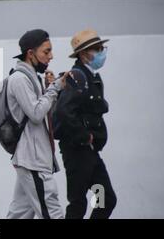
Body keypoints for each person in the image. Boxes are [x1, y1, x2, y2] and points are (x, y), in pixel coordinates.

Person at [53, 29, 117, 219]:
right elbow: (63, 111)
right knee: (78, 203)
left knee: (105, 199)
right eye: (97, 49)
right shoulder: (77, 77)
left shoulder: (92, 77)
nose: (101, 52)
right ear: (83, 54)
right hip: (77, 152)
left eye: (101, 48)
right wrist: (84, 136)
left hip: (90, 153)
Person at [6, 29, 68, 219]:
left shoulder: (33, 78)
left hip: (34, 158)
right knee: (52, 213)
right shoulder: (19, 78)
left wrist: (50, 88)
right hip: (33, 160)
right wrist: (55, 88)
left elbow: (43, 112)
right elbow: (35, 114)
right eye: (46, 52)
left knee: (19, 215)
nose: (51, 56)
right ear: (30, 53)